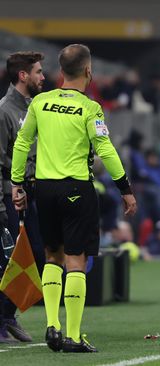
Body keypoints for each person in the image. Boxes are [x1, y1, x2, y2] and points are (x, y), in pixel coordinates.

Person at [11, 44, 137, 352]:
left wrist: (17, 183)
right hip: (76, 190)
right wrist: (125, 188)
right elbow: (105, 149)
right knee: (76, 261)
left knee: (52, 256)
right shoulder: (90, 107)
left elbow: (22, 142)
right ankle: (73, 335)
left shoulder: (40, 102)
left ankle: (52, 326)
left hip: (43, 189)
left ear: (60, 72)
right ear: (89, 72)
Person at [0, 51, 46, 343]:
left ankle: (6, 314)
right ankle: (4, 318)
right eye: (39, 72)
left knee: (37, 257)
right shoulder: (4, 111)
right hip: (9, 195)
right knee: (7, 261)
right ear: (23, 75)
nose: (43, 77)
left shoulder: (34, 108)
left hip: (31, 193)